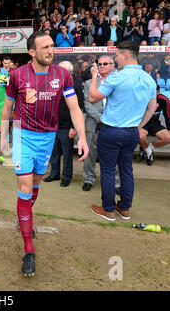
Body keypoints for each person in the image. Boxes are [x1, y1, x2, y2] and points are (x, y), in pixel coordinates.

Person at [0, 31, 88, 276]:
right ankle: (29, 249)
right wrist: (3, 138)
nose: (51, 50)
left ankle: (24, 213)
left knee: (36, 184)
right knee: (25, 187)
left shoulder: (63, 75)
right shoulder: (17, 75)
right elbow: (7, 108)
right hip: (23, 136)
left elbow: (74, 108)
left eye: (52, 46)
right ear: (32, 52)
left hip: (47, 138)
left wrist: (82, 136)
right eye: (46, 47)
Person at [88, 41, 157, 222]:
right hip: (131, 132)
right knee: (126, 170)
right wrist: (139, 125)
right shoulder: (148, 78)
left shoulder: (117, 77)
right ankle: (124, 209)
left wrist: (95, 75)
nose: (115, 59)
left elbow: (92, 97)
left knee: (108, 170)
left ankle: (109, 209)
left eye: (116, 55)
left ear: (126, 56)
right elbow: (152, 107)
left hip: (111, 131)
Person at [82, 56, 120, 193]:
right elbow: (87, 103)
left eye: (105, 64)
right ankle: (88, 179)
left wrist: (108, 118)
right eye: (99, 64)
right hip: (93, 123)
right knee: (90, 154)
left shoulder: (119, 81)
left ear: (112, 65)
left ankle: (116, 183)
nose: (102, 66)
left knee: (113, 154)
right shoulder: (89, 83)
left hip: (113, 124)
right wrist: (101, 118)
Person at [43, 61, 84, 187]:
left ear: (68, 72)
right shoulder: (53, 83)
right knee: (53, 152)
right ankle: (54, 174)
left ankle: (67, 177)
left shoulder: (75, 85)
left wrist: (73, 127)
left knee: (67, 154)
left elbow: (79, 106)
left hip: (67, 127)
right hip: (53, 125)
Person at [137, 85, 170, 166]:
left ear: (158, 92)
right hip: (143, 123)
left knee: (168, 137)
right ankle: (148, 153)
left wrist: (169, 128)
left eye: (155, 92)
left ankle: (146, 149)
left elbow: (167, 114)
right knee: (140, 136)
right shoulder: (142, 98)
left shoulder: (163, 99)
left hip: (155, 124)